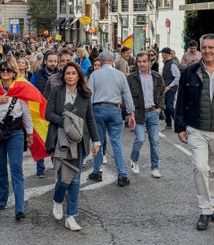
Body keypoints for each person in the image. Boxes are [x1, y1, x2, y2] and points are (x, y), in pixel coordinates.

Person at [46, 62, 100, 231]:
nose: (70, 76)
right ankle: (57, 199)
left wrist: (96, 141)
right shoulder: (56, 91)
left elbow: (90, 118)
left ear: (79, 76)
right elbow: (48, 113)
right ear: (64, 76)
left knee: (75, 180)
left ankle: (71, 216)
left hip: (79, 141)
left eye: (73, 73)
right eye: (67, 73)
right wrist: (67, 123)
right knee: (64, 179)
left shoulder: (85, 95)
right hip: (60, 140)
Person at [0, 58, 34, 220]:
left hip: (16, 133)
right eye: (2, 70)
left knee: (17, 168)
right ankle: (2, 199)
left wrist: (30, 133)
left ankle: (20, 208)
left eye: (9, 70)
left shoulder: (19, 89)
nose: (5, 73)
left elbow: (26, 113)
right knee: (1, 168)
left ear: (14, 73)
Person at [175, 34, 214, 230]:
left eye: (211, 47)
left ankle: (212, 205)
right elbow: (180, 100)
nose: (208, 51)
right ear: (200, 49)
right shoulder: (190, 72)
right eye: (204, 47)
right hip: (196, 128)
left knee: (213, 171)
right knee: (200, 167)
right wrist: (180, 126)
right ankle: (205, 210)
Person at [87, 50, 135, 186]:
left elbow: (89, 94)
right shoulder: (120, 75)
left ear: (100, 62)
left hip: (98, 109)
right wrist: (131, 113)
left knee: (98, 142)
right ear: (112, 61)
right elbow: (127, 94)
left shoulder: (95, 75)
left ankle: (97, 172)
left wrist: (87, 114)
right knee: (116, 142)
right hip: (115, 109)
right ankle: (122, 174)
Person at [127, 52, 165, 178]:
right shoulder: (131, 79)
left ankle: (155, 168)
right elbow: (126, 97)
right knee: (140, 139)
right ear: (136, 63)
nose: (142, 64)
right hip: (139, 114)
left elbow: (161, 94)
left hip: (153, 112)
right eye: (139, 62)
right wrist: (129, 113)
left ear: (149, 62)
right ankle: (134, 160)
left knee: (154, 141)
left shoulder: (156, 77)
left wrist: (159, 108)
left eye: (144, 61)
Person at [30, 51, 58, 177]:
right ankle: (40, 169)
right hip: (40, 113)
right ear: (45, 61)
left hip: (55, 112)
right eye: (50, 61)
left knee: (55, 140)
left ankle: (56, 165)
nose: (53, 63)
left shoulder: (60, 75)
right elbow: (30, 91)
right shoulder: (36, 74)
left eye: (55, 61)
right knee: (41, 140)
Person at [161, 47, 181, 131]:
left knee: (169, 106)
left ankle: (179, 123)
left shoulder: (172, 64)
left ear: (165, 54)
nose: (161, 55)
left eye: (162, 53)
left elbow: (178, 77)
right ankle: (168, 124)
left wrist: (169, 86)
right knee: (165, 106)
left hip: (171, 89)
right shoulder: (166, 63)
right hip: (166, 88)